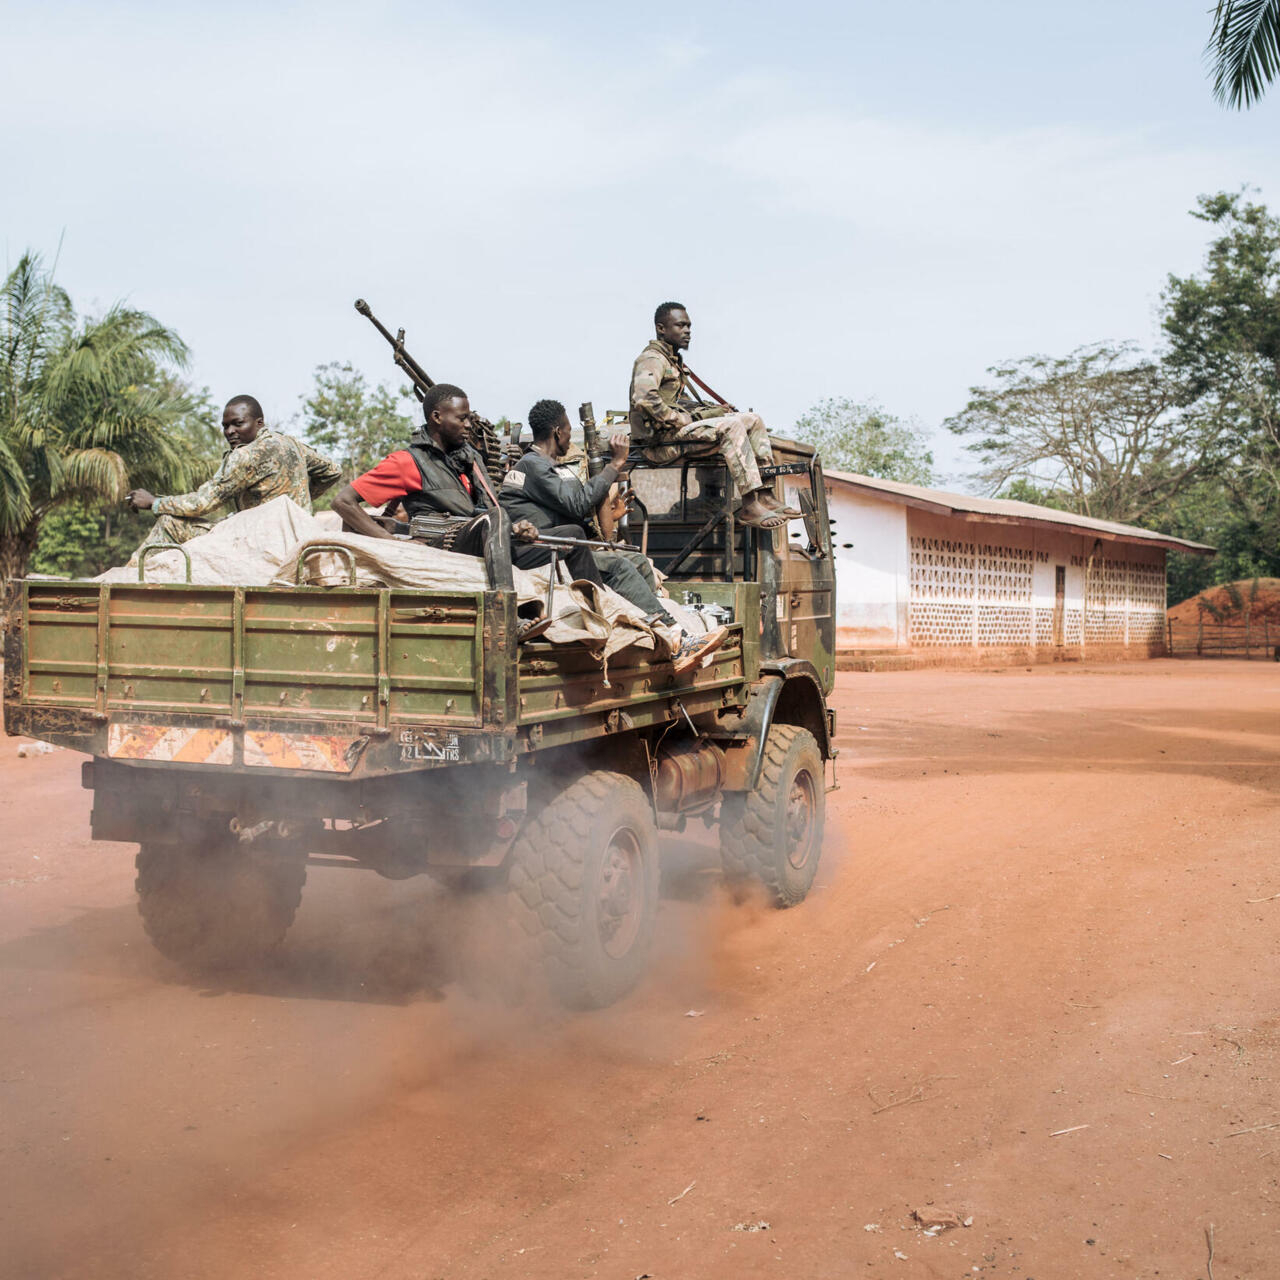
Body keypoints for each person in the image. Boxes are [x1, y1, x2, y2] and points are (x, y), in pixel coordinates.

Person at [501, 398, 726, 673]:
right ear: (558, 432)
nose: (571, 436)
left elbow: (578, 512)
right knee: (619, 567)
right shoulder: (533, 465)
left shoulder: (544, 466)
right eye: (569, 429)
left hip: (561, 545)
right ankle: (675, 636)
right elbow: (576, 504)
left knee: (638, 563)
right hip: (543, 551)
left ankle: (658, 631)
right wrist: (615, 463)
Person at [329, 383, 603, 608]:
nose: (469, 424)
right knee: (492, 520)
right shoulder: (408, 462)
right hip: (443, 544)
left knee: (573, 535)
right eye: (462, 418)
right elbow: (343, 501)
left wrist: (516, 526)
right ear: (437, 418)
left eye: (470, 418)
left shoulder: (467, 462)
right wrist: (392, 544)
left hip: (488, 541)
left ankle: (605, 608)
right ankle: (505, 611)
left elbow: (489, 510)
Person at [628, 302, 801, 530]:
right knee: (731, 428)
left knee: (752, 420)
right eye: (680, 325)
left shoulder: (671, 360)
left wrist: (716, 411)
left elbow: (675, 402)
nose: (688, 331)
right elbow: (643, 399)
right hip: (660, 442)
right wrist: (679, 419)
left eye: (689, 325)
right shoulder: (652, 359)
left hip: (674, 435)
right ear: (661, 329)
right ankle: (749, 505)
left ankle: (765, 494)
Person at [127, 395, 341, 548]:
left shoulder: (246, 455)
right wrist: (293, 501)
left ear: (259, 423)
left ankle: (125, 587)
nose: (230, 432)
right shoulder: (292, 444)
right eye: (226, 426)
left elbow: (202, 503)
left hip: (258, 543)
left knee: (169, 523)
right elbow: (333, 471)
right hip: (296, 540)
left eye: (238, 424)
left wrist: (154, 503)